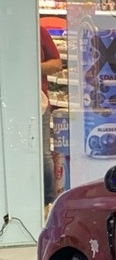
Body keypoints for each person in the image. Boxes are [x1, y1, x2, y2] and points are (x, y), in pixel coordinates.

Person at [40, 25, 62, 205]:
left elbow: (56, 63)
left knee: (43, 153)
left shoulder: (38, 31)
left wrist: (32, 68)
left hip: (38, 101)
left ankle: (48, 202)